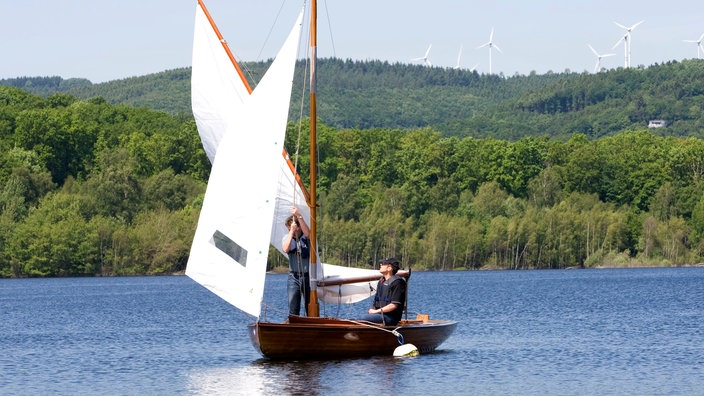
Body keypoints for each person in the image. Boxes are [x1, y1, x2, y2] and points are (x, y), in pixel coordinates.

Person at [360, 257, 406, 326]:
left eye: (384, 263)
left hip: (391, 318)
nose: (381, 264)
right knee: (356, 319)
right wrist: (372, 311)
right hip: (380, 315)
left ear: (389, 268)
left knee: (363, 318)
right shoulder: (381, 281)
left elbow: (394, 305)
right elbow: (376, 300)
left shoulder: (397, 283)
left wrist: (375, 312)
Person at [282, 206, 310, 316]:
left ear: (299, 227)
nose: (291, 231)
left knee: (310, 307)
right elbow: (285, 249)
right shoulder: (287, 238)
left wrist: (299, 215)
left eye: (293, 228)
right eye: (289, 229)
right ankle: (294, 326)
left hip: (308, 277)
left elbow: (307, 233)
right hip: (293, 277)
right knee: (293, 308)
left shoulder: (306, 237)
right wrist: (291, 232)